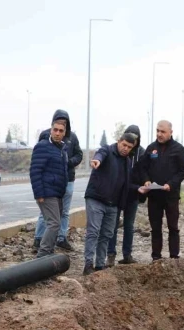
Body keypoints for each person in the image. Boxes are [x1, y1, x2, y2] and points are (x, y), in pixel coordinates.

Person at [83, 132, 143, 275]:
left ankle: (100, 265)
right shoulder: (107, 151)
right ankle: (88, 264)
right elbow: (100, 154)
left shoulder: (127, 162)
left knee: (107, 234)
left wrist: (138, 188)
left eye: (129, 147)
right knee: (93, 231)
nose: (125, 149)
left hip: (113, 204)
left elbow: (126, 184)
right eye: (124, 145)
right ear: (118, 141)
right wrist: (97, 160)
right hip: (96, 199)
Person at [138, 120, 184, 261]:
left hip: (171, 196)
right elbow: (142, 168)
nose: (159, 134)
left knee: (173, 227)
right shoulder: (151, 148)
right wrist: (146, 180)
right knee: (155, 228)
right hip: (154, 196)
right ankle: (156, 257)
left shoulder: (178, 149)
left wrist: (171, 184)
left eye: (163, 131)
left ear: (170, 132)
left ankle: (174, 257)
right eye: (158, 131)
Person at [34, 109, 83, 251]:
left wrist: (68, 162)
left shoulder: (72, 138)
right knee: (48, 214)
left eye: (63, 125)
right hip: (51, 181)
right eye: (56, 128)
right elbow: (38, 163)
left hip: (67, 180)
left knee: (64, 212)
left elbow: (79, 155)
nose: (58, 132)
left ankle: (61, 238)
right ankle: (39, 241)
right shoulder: (45, 136)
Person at [29, 119, 69, 258]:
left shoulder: (62, 149)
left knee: (54, 224)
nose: (57, 133)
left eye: (61, 131)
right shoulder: (43, 146)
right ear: (51, 130)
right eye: (55, 130)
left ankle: (49, 254)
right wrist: (39, 194)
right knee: (54, 223)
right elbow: (35, 171)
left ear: (64, 133)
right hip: (46, 192)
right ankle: (43, 254)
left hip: (57, 193)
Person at [107, 124, 145, 266]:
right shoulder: (118, 151)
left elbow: (144, 172)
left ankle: (127, 255)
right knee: (113, 225)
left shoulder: (141, 153)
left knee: (129, 225)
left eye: (135, 139)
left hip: (133, 194)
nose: (130, 144)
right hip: (116, 194)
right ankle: (110, 255)